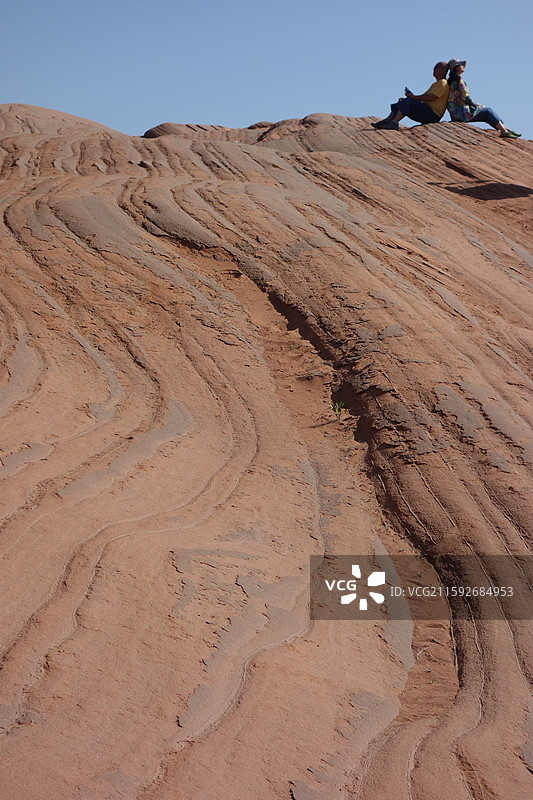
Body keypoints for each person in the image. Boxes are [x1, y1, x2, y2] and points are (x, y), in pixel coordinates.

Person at [447, 59, 521, 139]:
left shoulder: (451, 81)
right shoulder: (459, 80)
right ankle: (504, 131)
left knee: (486, 113)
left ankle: (507, 129)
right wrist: (476, 105)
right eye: (460, 65)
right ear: (456, 68)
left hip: (456, 113)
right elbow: (466, 98)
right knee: (487, 111)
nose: (462, 66)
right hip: (462, 113)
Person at [372, 62, 450, 130]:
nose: (434, 69)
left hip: (432, 115)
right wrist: (411, 97)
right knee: (404, 101)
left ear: (443, 70)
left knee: (409, 101)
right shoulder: (435, 84)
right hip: (427, 111)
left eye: (436, 68)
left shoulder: (443, 83)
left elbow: (430, 97)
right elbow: (423, 97)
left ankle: (394, 122)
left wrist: (412, 97)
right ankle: (387, 120)